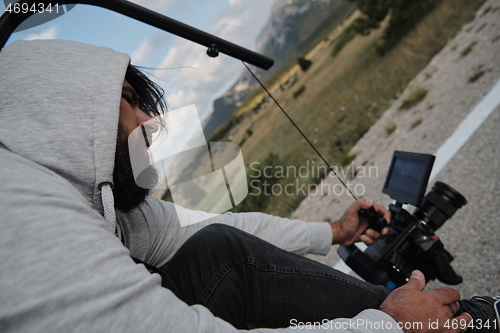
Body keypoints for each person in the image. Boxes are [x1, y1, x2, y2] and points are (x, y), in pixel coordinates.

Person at [0, 39, 497, 333]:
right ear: (66, 116)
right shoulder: (19, 217)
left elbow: (212, 229)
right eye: (131, 101)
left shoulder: (95, 194)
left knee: (216, 247)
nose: (148, 119)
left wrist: (333, 232)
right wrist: (387, 326)